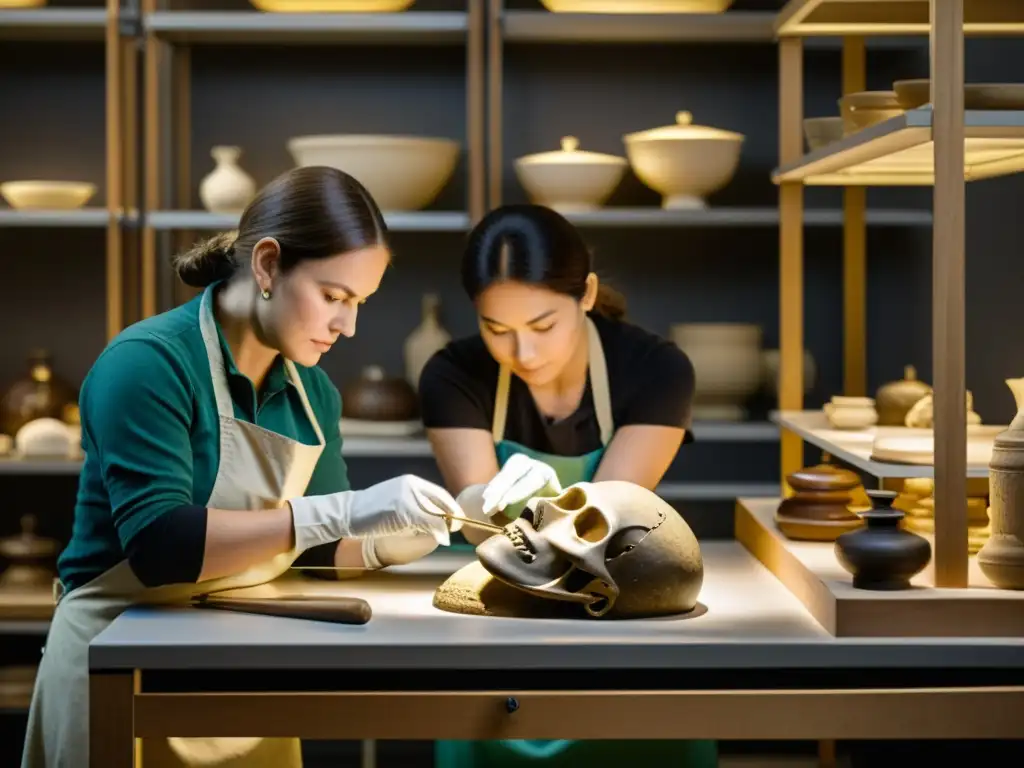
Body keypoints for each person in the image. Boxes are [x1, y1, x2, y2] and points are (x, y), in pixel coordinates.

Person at [21, 166, 465, 768]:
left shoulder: (313, 392)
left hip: (244, 676)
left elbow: (312, 548)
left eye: (358, 302)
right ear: (267, 265)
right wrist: (346, 509)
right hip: (118, 669)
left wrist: (396, 538)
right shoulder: (147, 365)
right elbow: (160, 547)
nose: (348, 325)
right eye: (333, 296)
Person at [418, 203, 715, 768]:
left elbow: (603, 532)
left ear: (586, 294)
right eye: (496, 329)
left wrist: (548, 500)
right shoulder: (453, 373)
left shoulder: (655, 369)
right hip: (502, 626)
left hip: (616, 620)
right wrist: (481, 499)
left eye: (543, 325)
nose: (522, 353)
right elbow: (478, 521)